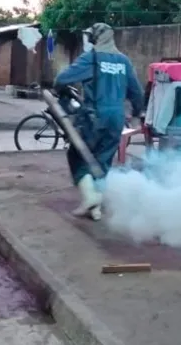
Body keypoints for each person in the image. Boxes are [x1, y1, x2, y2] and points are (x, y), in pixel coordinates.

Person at [53, 23, 144, 221]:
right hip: (116, 118)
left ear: (95, 38)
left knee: (78, 156)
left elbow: (62, 79)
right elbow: (136, 92)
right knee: (102, 161)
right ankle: (96, 209)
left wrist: (60, 91)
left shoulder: (91, 58)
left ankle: (90, 197)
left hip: (94, 117)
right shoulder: (124, 61)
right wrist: (137, 112)